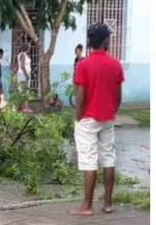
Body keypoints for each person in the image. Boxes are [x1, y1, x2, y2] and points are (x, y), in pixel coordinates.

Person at [69, 23, 123, 216]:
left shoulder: (83, 65)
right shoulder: (115, 64)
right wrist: (111, 112)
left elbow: (80, 96)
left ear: (90, 42)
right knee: (108, 158)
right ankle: (108, 204)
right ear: (106, 41)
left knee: (89, 161)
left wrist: (78, 117)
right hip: (107, 118)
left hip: (87, 119)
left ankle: (87, 205)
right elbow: (118, 97)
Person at [15, 43, 33, 113]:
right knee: (25, 92)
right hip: (23, 75)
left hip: (21, 74)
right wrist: (27, 75)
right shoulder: (23, 55)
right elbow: (22, 66)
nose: (30, 48)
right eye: (29, 47)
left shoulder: (21, 54)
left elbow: (18, 65)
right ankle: (25, 108)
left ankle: (22, 107)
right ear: (27, 48)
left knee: (23, 92)